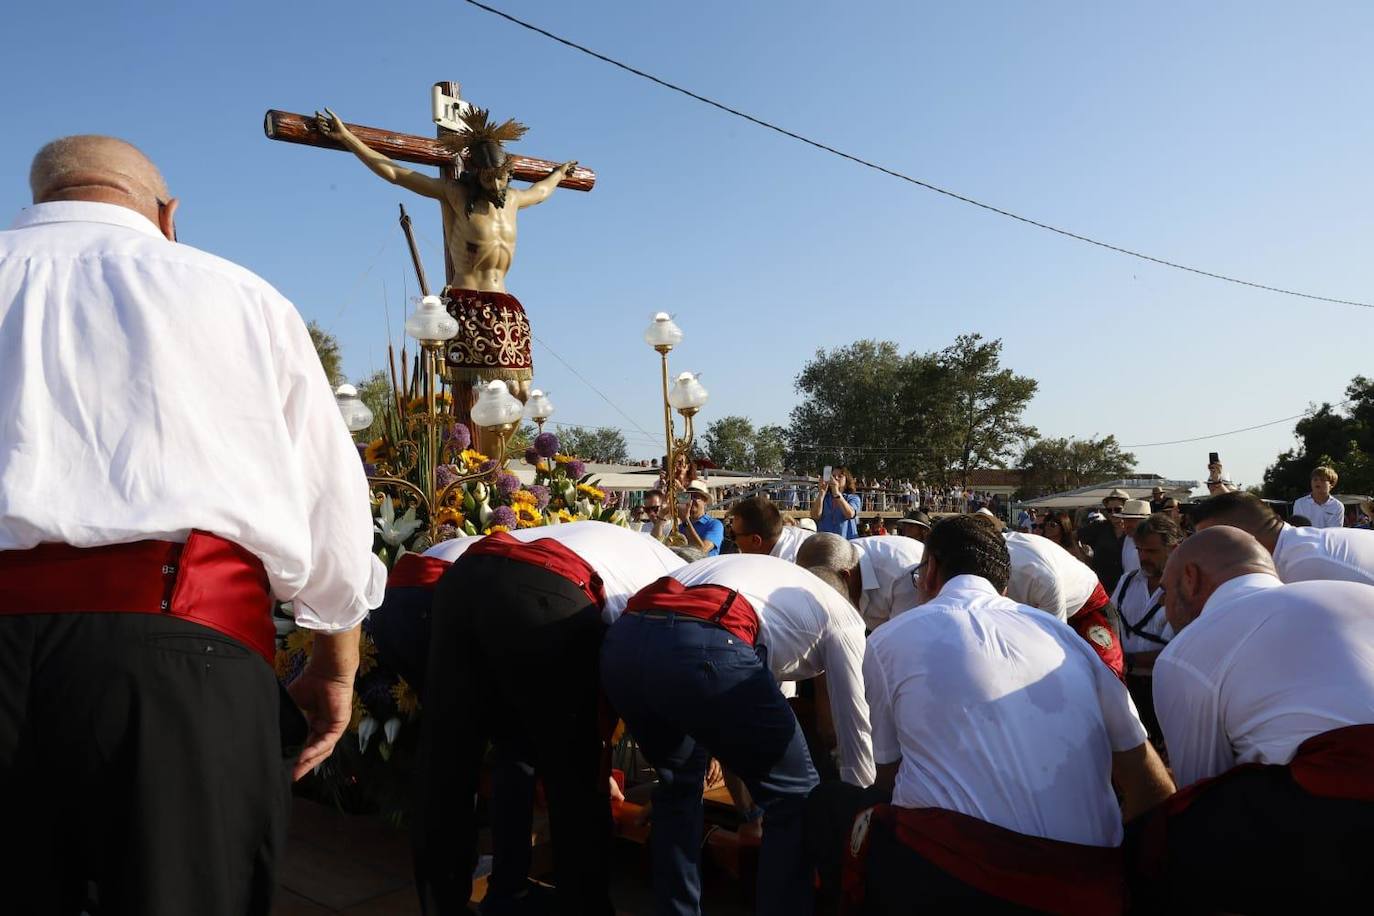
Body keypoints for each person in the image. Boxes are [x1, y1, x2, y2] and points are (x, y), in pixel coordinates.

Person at [0, 135, 385, 915]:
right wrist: (335, 668)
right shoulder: (241, 297)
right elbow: (330, 510)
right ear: (169, 215)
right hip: (181, 659)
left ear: (38, 200)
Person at [810, 516, 1172, 914]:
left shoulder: (888, 639)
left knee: (830, 804)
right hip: (1090, 888)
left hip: (962, 880)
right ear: (1003, 584)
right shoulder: (1071, 640)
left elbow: (886, 778)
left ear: (929, 570)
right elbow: (1150, 784)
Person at [416, 521, 683, 915]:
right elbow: (637, 668)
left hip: (465, 578)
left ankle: (452, 903)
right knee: (573, 777)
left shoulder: (635, 546)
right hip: (546, 591)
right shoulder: (678, 580)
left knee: (451, 763)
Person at [601, 554, 874, 916]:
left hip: (625, 641)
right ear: (847, 594)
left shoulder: (758, 580)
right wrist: (861, 822)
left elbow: (739, 712)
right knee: (794, 799)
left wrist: (750, 813)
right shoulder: (843, 615)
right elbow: (855, 725)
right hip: (707, 642)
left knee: (679, 787)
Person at [1131, 527, 1374, 914]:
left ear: (1190, 579)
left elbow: (1203, 783)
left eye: (1165, 589)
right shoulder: (1360, 592)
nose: (1162, 604)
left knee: (1170, 834)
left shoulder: (1186, 652)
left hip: (1341, 813)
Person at [316, 107, 579, 398]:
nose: (495, 185)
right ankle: (470, 442)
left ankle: (495, 445)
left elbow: (541, 192)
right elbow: (395, 172)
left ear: (509, 173)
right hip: (468, 300)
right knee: (491, 391)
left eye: (500, 178)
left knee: (522, 392)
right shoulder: (455, 195)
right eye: (488, 178)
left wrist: (559, 174)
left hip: (505, 304)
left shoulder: (514, 200)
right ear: (475, 174)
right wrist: (348, 138)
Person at [994, 516, 1127, 679]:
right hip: (1041, 607)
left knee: (1108, 674)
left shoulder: (1038, 574)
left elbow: (1052, 645)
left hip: (1087, 607)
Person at [1191, 491, 1374, 585]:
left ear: (1240, 535)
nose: (1206, 555)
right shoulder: (1299, 546)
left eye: (1209, 542)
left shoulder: (1301, 566)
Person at [1110, 514, 1182, 742]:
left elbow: (1175, 652)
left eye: (1151, 552)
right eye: (1139, 550)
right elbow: (1109, 622)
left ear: (1174, 548)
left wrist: (1124, 660)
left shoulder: (1186, 590)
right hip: (1127, 688)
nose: (1143, 557)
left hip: (1165, 692)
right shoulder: (1127, 581)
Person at [796, 533, 924, 632]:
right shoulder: (839, 558)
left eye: (822, 590)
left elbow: (902, 643)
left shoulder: (901, 575)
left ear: (845, 577)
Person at [1079, 488, 1133, 593]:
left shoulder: (1133, 530)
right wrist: (1085, 558)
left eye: (1117, 509)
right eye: (1109, 510)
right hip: (1102, 588)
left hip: (1128, 588)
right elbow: (1073, 536)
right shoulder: (1099, 527)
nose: (1113, 513)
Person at [727, 495, 812, 561]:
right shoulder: (784, 536)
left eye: (733, 535)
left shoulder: (789, 565)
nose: (733, 541)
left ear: (755, 540)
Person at [810, 466, 863, 539]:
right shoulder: (824, 498)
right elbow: (815, 516)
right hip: (825, 541)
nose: (836, 478)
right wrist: (821, 494)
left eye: (840, 476)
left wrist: (837, 493)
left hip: (846, 542)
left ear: (846, 481)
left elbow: (850, 514)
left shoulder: (853, 498)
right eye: (833, 476)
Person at [675, 479, 724, 555]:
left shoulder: (715, 524)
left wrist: (685, 520)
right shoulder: (680, 527)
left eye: (695, 497)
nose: (691, 501)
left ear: (705, 501)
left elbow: (701, 551)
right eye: (688, 497)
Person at [1292, 465, 1345, 529]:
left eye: (1322, 480)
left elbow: (1335, 531)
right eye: (1315, 479)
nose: (1318, 482)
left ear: (1331, 484)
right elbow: (1298, 529)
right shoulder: (1300, 503)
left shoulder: (1337, 506)